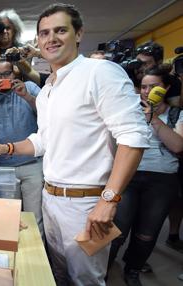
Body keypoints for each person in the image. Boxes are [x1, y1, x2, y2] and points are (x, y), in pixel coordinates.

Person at [0, 4, 150, 285]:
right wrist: (5, 148)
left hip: (86, 204)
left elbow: (133, 137)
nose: (51, 38)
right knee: (58, 274)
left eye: (61, 30)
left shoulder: (100, 72)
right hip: (51, 199)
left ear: (79, 33)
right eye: (44, 33)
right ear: (37, 41)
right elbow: (43, 141)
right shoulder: (48, 89)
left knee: (86, 279)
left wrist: (109, 199)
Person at [108, 66, 183, 286]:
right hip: (129, 175)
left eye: (154, 86)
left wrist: (152, 118)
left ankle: (133, 270)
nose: (147, 91)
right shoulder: (129, 111)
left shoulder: (177, 114)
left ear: (166, 88)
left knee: (147, 234)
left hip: (162, 180)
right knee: (117, 230)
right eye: (144, 86)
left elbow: (178, 146)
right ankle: (105, 267)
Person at [0, 59, 44, 237]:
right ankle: (13, 258)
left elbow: (48, 113)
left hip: (33, 163)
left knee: (34, 218)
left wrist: (26, 96)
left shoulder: (28, 87)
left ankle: (35, 260)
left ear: (14, 73)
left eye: (6, 74)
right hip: (4, 168)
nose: (3, 78)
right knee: (9, 218)